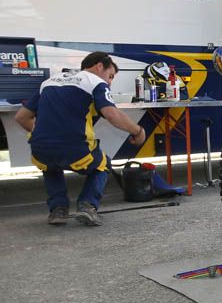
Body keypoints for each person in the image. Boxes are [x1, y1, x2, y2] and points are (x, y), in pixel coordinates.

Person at [14, 52, 145, 226]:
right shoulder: (96, 82)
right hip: (75, 148)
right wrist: (138, 131)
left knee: (51, 165)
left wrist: (46, 134)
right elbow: (111, 114)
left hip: (40, 148)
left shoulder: (50, 81)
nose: (110, 82)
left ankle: (58, 210)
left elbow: (21, 117)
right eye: (110, 76)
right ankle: (87, 206)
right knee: (103, 164)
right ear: (99, 66)